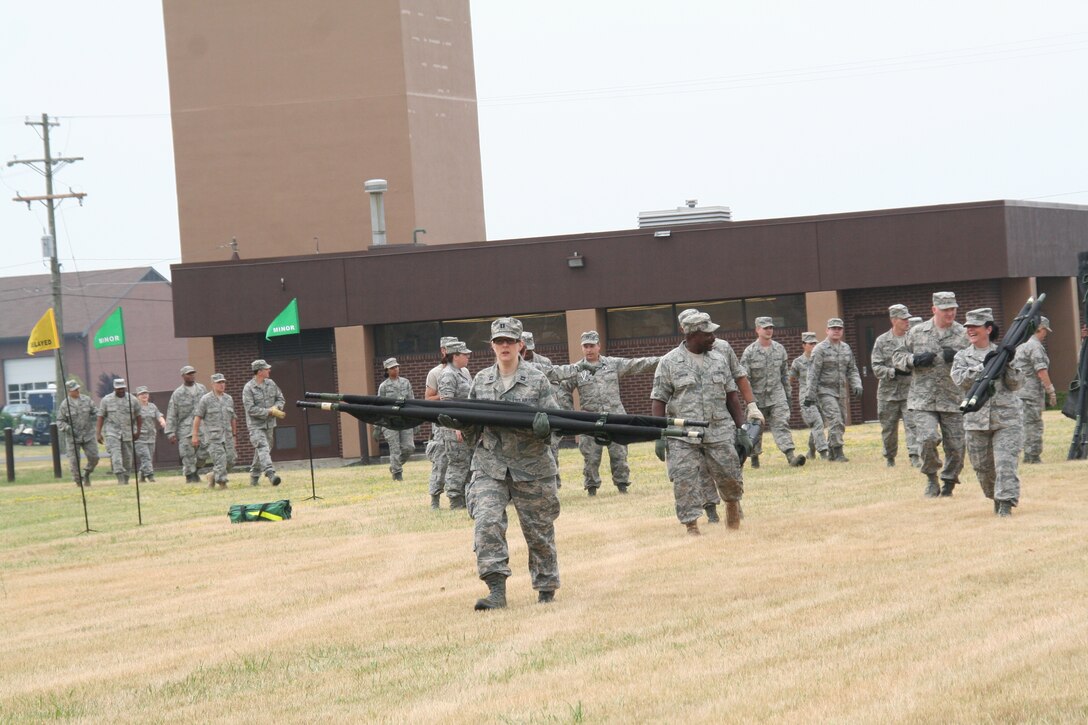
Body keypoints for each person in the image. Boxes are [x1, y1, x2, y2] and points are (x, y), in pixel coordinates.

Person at [444, 316, 561, 610]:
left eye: (510, 340)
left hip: (531, 466)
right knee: (487, 523)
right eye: (499, 341)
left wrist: (544, 429)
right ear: (492, 346)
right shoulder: (481, 380)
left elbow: (558, 425)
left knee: (539, 531)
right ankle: (496, 589)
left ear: (520, 344)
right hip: (490, 465)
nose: (504, 346)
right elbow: (472, 429)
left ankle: (545, 585)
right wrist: (456, 423)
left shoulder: (537, 380)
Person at [651, 310, 747, 535]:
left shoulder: (719, 360)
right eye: (708, 334)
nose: (713, 338)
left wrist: (741, 428)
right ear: (693, 335)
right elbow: (658, 400)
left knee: (730, 475)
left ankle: (732, 510)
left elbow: (732, 396)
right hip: (682, 435)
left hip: (719, 429)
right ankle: (691, 526)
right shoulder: (669, 362)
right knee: (684, 479)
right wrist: (659, 435)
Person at [676, 307, 760, 524]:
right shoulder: (680, 355)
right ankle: (710, 509)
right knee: (701, 467)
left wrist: (751, 406)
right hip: (692, 422)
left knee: (728, 464)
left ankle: (734, 505)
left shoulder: (722, 348)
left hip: (721, 418)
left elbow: (739, 376)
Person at [558, 330, 660, 495]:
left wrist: (664, 360)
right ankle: (591, 488)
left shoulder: (613, 364)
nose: (589, 350)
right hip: (590, 419)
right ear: (582, 348)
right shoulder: (577, 369)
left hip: (615, 417)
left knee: (619, 453)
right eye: (586, 346)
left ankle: (622, 485)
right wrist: (570, 413)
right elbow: (563, 389)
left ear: (599, 346)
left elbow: (639, 364)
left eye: (592, 346)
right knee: (590, 457)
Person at [894, 291, 969, 497]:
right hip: (923, 398)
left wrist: (960, 356)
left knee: (956, 446)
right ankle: (931, 478)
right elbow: (897, 356)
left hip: (953, 399)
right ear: (934, 309)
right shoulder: (917, 332)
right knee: (927, 438)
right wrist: (914, 360)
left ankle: (949, 482)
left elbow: (977, 359)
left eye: (953, 309)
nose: (950, 313)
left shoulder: (963, 333)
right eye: (945, 309)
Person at [950, 308, 1023, 516]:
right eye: (968, 327)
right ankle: (995, 497)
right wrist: (985, 366)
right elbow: (960, 381)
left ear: (988, 329)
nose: (970, 330)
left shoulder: (1005, 353)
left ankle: (1005, 503)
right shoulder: (962, 357)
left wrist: (1007, 363)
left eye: (975, 326)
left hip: (1006, 419)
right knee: (983, 469)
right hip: (975, 421)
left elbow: (1016, 383)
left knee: (1005, 464)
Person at [741, 317, 804, 467]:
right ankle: (755, 458)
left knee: (781, 424)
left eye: (771, 327)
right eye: (765, 328)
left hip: (777, 395)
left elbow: (784, 375)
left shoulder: (780, 349)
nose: (769, 330)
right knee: (755, 428)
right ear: (757, 329)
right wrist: (749, 401)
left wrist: (788, 396)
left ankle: (791, 456)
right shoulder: (749, 352)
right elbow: (744, 378)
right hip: (757, 397)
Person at [803, 318, 863, 462]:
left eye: (839, 328)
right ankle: (838, 452)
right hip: (824, 391)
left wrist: (857, 384)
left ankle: (831, 451)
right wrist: (810, 395)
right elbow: (813, 373)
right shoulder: (820, 349)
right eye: (833, 328)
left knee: (841, 421)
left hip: (841, 391)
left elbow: (852, 369)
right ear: (827, 331)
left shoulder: (845, 348)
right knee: (835, 419)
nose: (836, 331)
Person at [870, 304, 919, 467]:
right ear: (894, 320)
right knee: (889, 429)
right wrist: (893, 372)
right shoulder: (882, 341)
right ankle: (890, 457)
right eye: (903, 319)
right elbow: (876, 367)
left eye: (908, 318)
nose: (907, 321)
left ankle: (914, 457)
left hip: (910, 391)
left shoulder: (912, 339)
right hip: (888, 394)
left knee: (912, 425)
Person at [1014, 316, 1056, 463]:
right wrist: (1050, 390)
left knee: (1024, 424)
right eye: (1045, 330)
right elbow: (1041, 370)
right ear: (1040, 328)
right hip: (1030, 393)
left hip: (1019, 391)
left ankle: (1027, 455)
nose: (1045, 334)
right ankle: (1032, 457)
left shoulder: (1021, 345)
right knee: (1033, 424)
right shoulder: (1035, 346)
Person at [437, 341, 473, 508]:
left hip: (466, 427)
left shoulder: (462, 373)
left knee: (467, 464)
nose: (468, 356)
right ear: (455, 356)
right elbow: (447, 404)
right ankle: (455, 501)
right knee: (458, 464)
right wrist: (455, 427)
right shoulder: (448, 375)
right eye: (464, 354)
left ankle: (465, 499)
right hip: (454, 429)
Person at [424, 337, 459, 496]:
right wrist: (446, 396)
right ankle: (435, 497)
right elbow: (428, 399)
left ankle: (459, 496)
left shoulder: (463, 371)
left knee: (459, 461)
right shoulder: (435, 373)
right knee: (441, 461)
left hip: (458, 422)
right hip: (441, 424)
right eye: (448, 348)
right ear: (443, 350)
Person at [242, 359, 285, 486]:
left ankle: (254, 478)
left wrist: (277, 408)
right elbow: (250, 409)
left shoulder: (271, 383)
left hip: (270, 425)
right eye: (266, 369)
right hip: (256, 426)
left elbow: (280, 399)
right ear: (259, 371)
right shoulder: (248, 388)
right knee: (263, 447)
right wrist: (268, 412)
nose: (269, 370)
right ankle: (270, 474)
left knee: (262, 451)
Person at [192, 373, 237, 489]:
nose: (222, 385)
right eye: (219, 383)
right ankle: (222, 483)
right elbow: (198, 417)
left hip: (227, 436)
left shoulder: (228, 399)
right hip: (213, 437)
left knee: (231, 460)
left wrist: (234, 435)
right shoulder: (205, 399)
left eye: (223, 382)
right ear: (213, 384)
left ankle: (212, 475)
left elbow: (233, 418)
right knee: (220, 460)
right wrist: (195, 435)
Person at [165, 365, 209, 483]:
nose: (192, 375)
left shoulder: (202, 389)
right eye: (189, 374)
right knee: (187, 454)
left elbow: (208, 406)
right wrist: (170, 432)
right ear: (183, 376)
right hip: (185, 428)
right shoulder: (178, 393)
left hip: (202, 427)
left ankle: (196, 470)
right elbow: (172, 412)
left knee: (204, 452)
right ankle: (190, 477)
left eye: (193, 373)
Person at [789, 332, 829, 461]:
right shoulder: (798, 362)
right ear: (803, 345)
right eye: (810, 343)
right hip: (807, 399)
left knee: (819, 425)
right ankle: (824, 453)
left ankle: (811, 451)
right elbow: (790, 379)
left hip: (820, 396)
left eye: (814, 343)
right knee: (817, 423)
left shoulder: (820, 359)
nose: (813, 345)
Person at [95, 378, 142, 485]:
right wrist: (98, 433)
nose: (121, 390)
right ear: (114, 388)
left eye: (122, 388)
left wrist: (138, 431)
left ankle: (125, 479)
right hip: (112, 432)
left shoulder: (133, 400)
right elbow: (101, 416)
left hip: (128, 432)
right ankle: (120, 478)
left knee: (128, 458)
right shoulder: (106, 400)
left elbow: (138, 416)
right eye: (118, 389)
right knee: (116, 456)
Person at [55, 379, 99, 487]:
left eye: (78, 388)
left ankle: (87, 473)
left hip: (88, 435)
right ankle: (79, 482)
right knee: (74, 462)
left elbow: (95, 411)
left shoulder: (86, 400)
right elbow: (60, 421)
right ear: (69, 391)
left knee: (94, 457)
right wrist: (68, 428)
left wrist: (95, 416)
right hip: (73, 438)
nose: (77, 390)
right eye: (75, 389)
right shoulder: (65, 405)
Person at [377, 357, 415, 481]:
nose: (396, 369)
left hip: (405, 420)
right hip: (389, 421)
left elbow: (412, 401)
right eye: (392, 368)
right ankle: (397, 474)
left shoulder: (406, 382)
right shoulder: (384, 386)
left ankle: (394, 466)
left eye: (397, 367)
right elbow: (379, 406)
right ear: (387, 370)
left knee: (409, 447)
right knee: (395, 448)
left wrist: (416, 421)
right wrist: (377, 427)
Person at [134, 386, 166, 482]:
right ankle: (150, 476)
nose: (144, 395)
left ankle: (142, 476)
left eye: (146, 393)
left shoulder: (152, 406)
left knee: (148, 458)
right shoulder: (134, 408)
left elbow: (158, 415)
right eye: (141, 394)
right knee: (146, 457)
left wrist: (162, 421)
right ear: (137, 396)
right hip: (139, 438)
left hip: (151, 437)